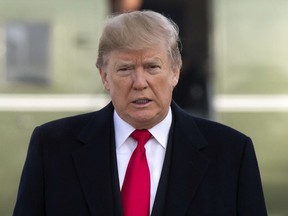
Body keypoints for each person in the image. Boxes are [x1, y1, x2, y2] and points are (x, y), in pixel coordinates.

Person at [13, 10, 267, 216]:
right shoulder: (52, 147)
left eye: (152, 67)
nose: (139, 82)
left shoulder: (232, 152)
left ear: (175, 72)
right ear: (104, 76)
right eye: (125, 69)